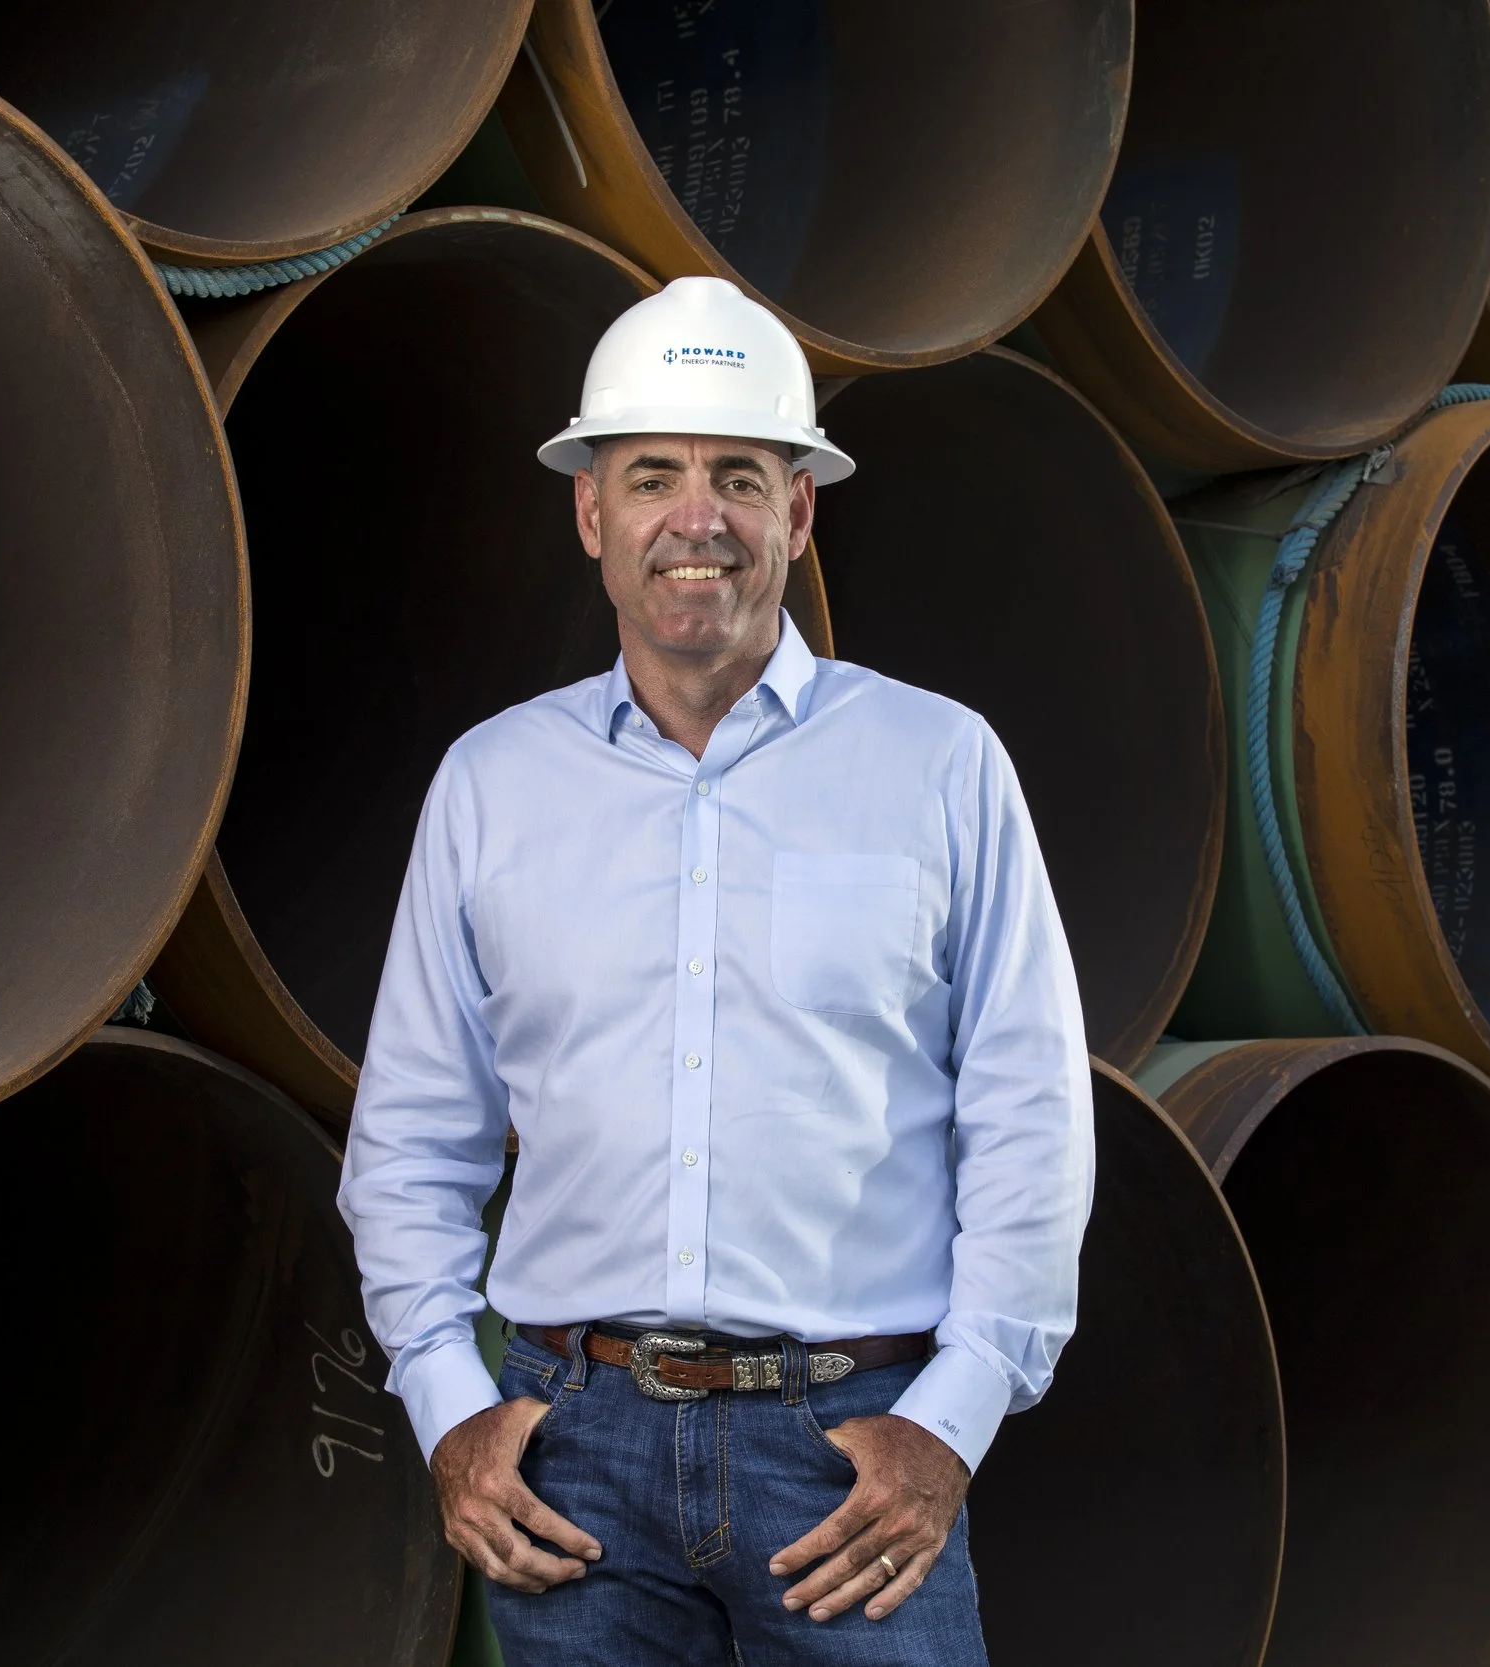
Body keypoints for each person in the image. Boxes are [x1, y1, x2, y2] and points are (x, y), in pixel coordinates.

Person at [337, 275, 1093, 1665]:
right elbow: (407, 1144)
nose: (698, 518)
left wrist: (955, 1417)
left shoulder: (941, 767)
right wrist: (451, 1406)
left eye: (740, 476)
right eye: (652, 477)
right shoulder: (492, 787)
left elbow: (1033, 1120)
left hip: (854, 1456)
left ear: (800, 512)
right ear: (590, 515)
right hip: (573, 1460)